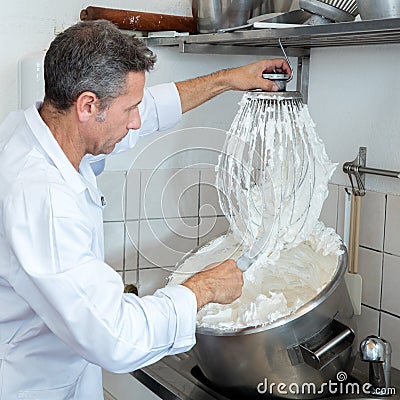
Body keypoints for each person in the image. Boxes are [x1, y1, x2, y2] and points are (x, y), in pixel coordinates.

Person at [0, 20, 290, 399]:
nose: (136, 121)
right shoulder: (42, 199)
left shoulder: (37, 129)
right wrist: (200, 289)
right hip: (33, 387)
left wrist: (229, 78)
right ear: (87, 105)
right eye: (129, 109)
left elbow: (151, 109)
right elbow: (117, 337)